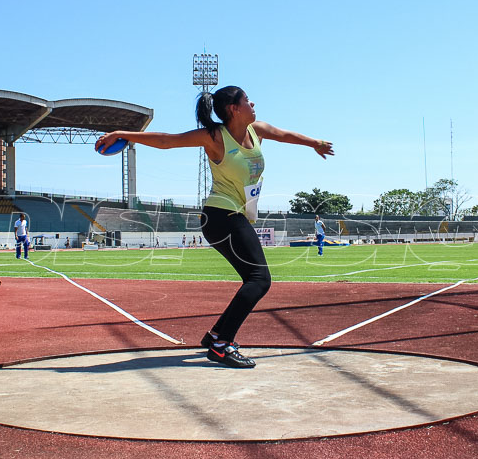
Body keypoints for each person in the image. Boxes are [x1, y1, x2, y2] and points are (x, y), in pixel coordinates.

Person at [96, 85, 333, 368]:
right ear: (234, 108)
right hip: (221, 216)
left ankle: (216, 336)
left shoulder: (256, 130)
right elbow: (167, 141)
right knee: (259, 281)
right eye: (247, 100)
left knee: (254, 280)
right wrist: (123, 134)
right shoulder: (215, 137)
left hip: (236, 216)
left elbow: (283, 135)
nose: (253, 102)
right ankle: (221, 345)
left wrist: (314, 143)